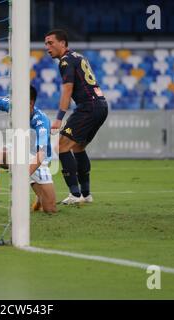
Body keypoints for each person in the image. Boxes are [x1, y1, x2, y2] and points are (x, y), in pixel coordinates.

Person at [44, 29, 108, 205]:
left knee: (62, 146)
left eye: (51, 43)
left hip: (88, 107)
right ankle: (86, 194)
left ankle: (75, 194)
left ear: (63, 43)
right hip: (100, 105)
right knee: (78, 147)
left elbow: (67, 89)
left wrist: (58, 118)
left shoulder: (65, 61)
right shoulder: (78, 56)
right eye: (46, 44)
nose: (47, 47)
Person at [0, 85, 57, 215]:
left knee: (50, 209)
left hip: (38, 161)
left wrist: (23, 176)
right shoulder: (13, 106)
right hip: (17, 153)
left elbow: (41, 155)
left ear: (30, 103)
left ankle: (40, 198)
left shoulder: (41, 122)